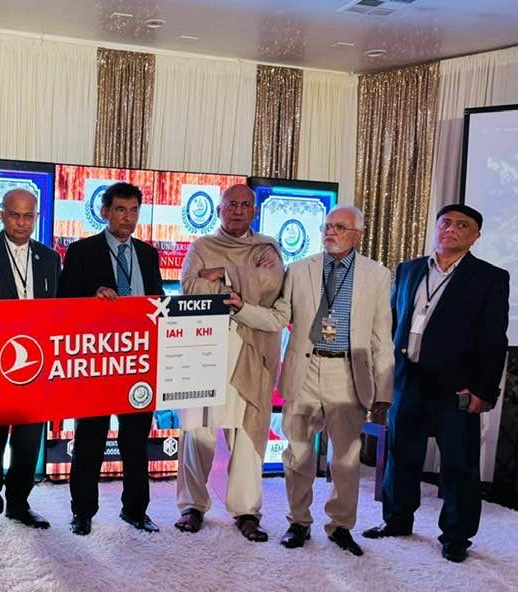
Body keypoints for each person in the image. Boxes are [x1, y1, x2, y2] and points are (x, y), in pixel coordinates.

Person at [227, 205, 394, 556]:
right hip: (305, 369)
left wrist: (384, 391)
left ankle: (340, 526)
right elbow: (279, 318)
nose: (330, 231)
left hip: (349, 373)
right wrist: (242, 308)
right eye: (328, 225)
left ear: (358, 235)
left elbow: (382, 337)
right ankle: (298, 522)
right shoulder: (300, 269)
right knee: (298, 453)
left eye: (340, 227)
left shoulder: (377, 275)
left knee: (346, 458)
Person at [363, 203, 509, 562]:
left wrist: (484, 390)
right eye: (446, 223)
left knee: (459, 463)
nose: (451, 229)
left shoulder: (489, 277)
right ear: (436, 228)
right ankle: (397, 519)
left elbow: (494, 339)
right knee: (401, 455)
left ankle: (457, 536)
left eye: (462, 225)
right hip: (407, 379)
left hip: (457, 387)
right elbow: (393, 320)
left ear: (475, 236)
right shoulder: (409, 269)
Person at [173, 184, 284, 542]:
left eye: (245, 205)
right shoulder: (201, 246)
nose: (237, 210)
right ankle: (192, 506)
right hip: (204, 349)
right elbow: (189, 287)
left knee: (247, 436)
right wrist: (242, 278)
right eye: (231, 204)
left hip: (250, 350)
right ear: (219, 209)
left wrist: (220, 273)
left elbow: (271, 284)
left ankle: (247, 511)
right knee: (197, 432)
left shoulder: (266, 248)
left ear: (254, 211)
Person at [57, 182, 164, 535]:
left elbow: (157, 301)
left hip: (138, 361)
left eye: (134, 211)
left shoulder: (148, 254)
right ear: (105, 212)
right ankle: (83, 512)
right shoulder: (81, 251)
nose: (128, 218)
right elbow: (63, 302)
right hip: (97, 361)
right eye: (120, 210)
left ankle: (135, 510)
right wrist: (92, 296)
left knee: (136, 441)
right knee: (90, 438)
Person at [0, 189, 60, 537]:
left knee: (28, 445)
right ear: (1, 216)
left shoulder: (49, 257)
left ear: (36, 217)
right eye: (15, 215)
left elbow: (60, 309)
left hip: (36, 366)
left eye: (29, 216)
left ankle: (18, 503)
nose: (22, 223)